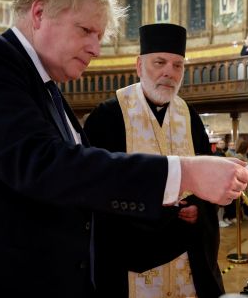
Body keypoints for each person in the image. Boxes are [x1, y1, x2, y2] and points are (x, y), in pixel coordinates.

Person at [0, 0, 248, 298]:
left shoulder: (49, 91)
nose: (96, 48)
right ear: (39, 12)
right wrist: (186, 173)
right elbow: (42, 164)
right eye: (86, 30)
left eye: (100, 36)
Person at [84, 23, 224, 298]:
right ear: (139, 65)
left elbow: (206, 175)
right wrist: (164, 212)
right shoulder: (108, 115)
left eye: (177, 65)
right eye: (159, 62)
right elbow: (97, 189)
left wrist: (198, 206)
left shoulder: (189, 116)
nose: (169, 73)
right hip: (130, 260)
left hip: (187, 260)